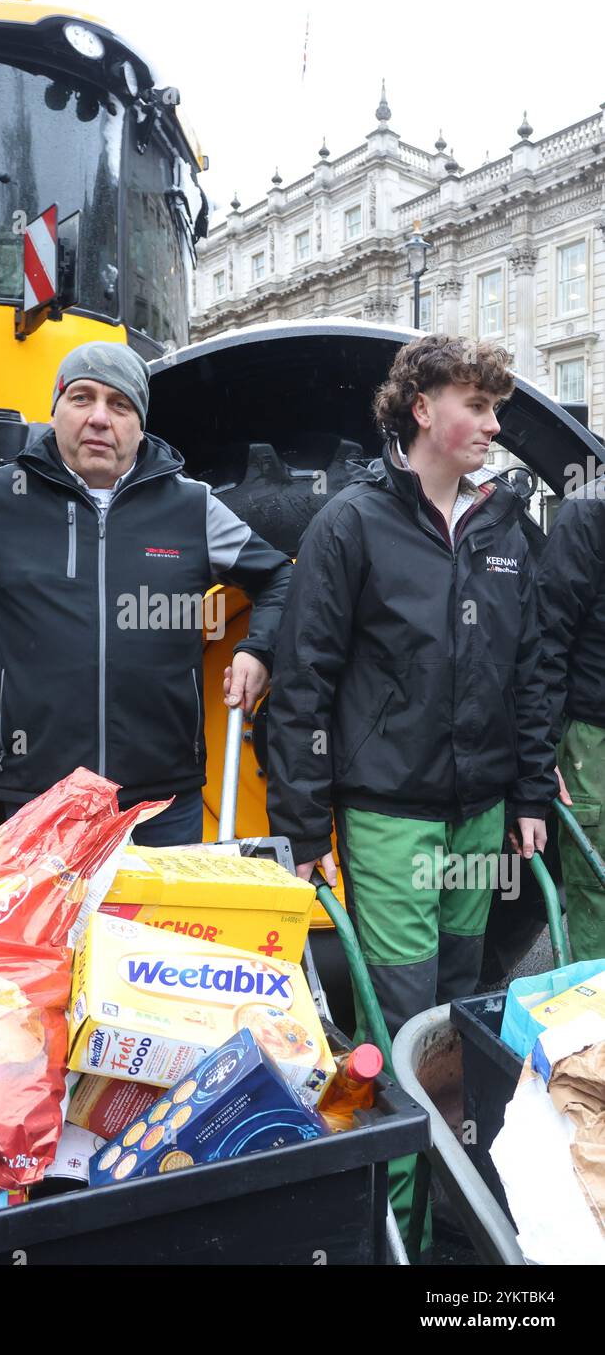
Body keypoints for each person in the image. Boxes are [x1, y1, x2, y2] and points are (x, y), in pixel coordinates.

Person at [0, 342, 291, 843]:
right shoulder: (0, 497)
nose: (99, 418)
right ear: (56, 410)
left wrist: (259, 649)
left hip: (162, 808)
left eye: (119, 404)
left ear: (140, 423)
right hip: (36, 805)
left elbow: (281, 578)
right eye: (82, 398)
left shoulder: (192, 507)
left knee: (156, 927)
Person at [268, 335, 557, 1037]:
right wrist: (302, 828)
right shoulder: (351, 523)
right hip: (391, 815)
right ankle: (392, 1151)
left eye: (496, 409)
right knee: (401, 1010)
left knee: (461, 993)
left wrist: (531, 791)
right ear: (422, 409)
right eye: (479, 406)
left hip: (482, 812)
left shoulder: (503, 530)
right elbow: (304, 679)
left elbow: (531, 670)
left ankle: (447, 1147)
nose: (495, 425)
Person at [536, 477, 605, 960]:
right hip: (594, 742)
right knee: (597, 893)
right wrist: (541, 749)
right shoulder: (589, 514)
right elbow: (546, 637)